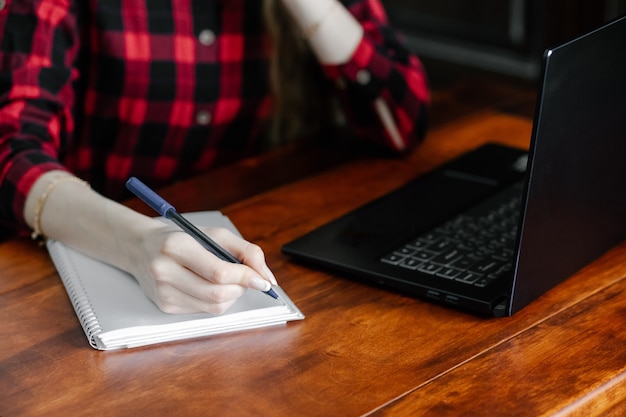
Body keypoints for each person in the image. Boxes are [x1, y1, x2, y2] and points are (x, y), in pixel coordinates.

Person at [0, 0, 429, 314]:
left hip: (272, 243)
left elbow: (400, 124)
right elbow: (13, 152)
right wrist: (136, 242)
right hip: (90, 258)